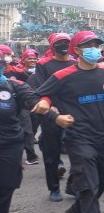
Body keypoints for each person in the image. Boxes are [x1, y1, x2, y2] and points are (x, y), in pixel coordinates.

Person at [33, 31, 104, 213]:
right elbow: (39, 98)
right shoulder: (63, 75)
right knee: (87, 184)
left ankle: (77, 211)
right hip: (78, 137)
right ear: (76, 51)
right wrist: (55, 116)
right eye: (88, 45)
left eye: (96, 44)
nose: (94, 48)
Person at [0, 55, 60, 213]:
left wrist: (52, 114)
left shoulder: (13, 87)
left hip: (9, 146)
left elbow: (35, 99)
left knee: (6, 187)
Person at [29, 33, 77, 202]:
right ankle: (54, 188)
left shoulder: (75, 63)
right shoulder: (44, 64)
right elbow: (40, 89)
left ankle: (73, 185)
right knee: (51, 153)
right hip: (51, 113)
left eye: (66, 42)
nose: (63, 45)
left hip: (73, 113)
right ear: (52, 46)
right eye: (59, 43)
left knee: (78, 152)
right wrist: (50, 106)